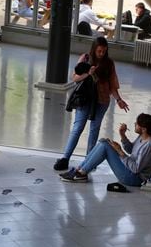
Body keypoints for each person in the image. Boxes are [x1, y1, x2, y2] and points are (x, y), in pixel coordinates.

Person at [54, 37, 129, 171]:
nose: (101, 54)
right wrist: (88, 73)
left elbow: (112, 85)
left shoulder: (109, 63)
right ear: (94, 49)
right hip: (85, 98)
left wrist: (119, 100)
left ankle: (89, 160)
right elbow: (75, 78)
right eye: (99, 51)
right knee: (78, 128)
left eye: (104, 51)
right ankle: (65, 158)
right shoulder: (85, 58)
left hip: (102, 100)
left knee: (94, 130)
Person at [60, 113, 151, 185]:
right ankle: (79, 169)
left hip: (134, 178)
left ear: (144, 129)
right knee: (104, 142)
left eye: (137, 124)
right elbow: (131, 150)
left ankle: (82, 174)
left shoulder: (149, 145)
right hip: (129, 170)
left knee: (105, 146)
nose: (134, 124)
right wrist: (122, 135)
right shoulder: (142, 136)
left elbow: (136, 169)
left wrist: (119, 151)